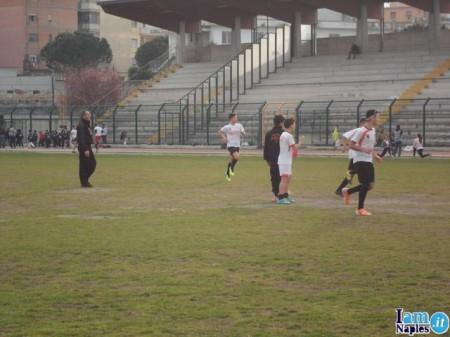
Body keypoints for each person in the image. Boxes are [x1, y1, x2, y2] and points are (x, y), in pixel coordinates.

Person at [342, 110, 383, 216]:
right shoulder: (361, 131)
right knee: (365, 184)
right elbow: (351, 145)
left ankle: (348, 192)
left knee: (370, 185)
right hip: (360, 160)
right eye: (377, 117)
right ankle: (360, 209)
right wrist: (363, 150)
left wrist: (375, 156)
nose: (379, 119)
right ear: (371, 118)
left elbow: (371, 147)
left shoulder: (373, 130)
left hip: (368, 160)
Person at [335, 118, 366, 197]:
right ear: (361, 124)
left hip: (359, 155)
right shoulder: (358, 130)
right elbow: (344, 136)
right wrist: (344, 147)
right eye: (365, 123)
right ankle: (344, 188)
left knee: (352, 173)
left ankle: (341, 188)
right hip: (355, 155)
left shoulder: (366, 131)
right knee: (356, 172)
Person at [277, 118, 299, 205]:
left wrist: (293, 153)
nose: (295, 125)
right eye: (294, 124)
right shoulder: (288, 136)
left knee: (288, 178)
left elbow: (289, 148)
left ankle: (285, 195)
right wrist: (301, 142)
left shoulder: (283, 134)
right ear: (290, 125)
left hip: (285, 160)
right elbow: (294, 147)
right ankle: (281, 197)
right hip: (284, 161)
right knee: (284, 179)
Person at [264, 115, 285, 202]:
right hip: (282, 159)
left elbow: (266, 147)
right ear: (281, 123)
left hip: (272, 159)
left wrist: (266, 159)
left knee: (274, 177)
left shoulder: (269, 133)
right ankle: (282, 194)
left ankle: (276, 195)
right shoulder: (284, 133)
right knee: (282, 177)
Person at [219, 113, 245, 182]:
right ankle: (232, 169)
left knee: (231, 159)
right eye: (235, 117)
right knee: (237, 157)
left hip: (237, 145)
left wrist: (243, 133)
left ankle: (228, 174)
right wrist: (224, 138)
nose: (237, 119)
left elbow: (243, 131)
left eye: (237, 117)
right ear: (231, 118)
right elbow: (220, 132)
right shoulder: (227, 127)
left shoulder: (239, 125)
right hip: (230, 145)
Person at [77, 111, 96, 188]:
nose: (90, 116)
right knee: (84, 165)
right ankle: (84, 182)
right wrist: (85, 149)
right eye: (88, 115)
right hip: (84, 147)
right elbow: (81, 138)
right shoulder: (81, 125)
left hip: (87, 146)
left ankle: (85, 180)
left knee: (92, 164)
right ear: (84, 116)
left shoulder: (86, 124)